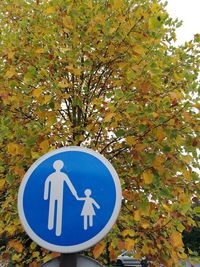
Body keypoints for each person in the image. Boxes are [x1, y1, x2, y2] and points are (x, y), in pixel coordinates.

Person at [44, 160, 78, 236]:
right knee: (56, 209)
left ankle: (53, 227)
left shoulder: (56, 175)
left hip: (58, 195)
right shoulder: (58, 175)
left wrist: (74, 193)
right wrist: (45, 196)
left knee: (54, 209)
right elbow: (47, 184)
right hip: (56, 195)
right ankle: (54, 227)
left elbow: (69, 185)